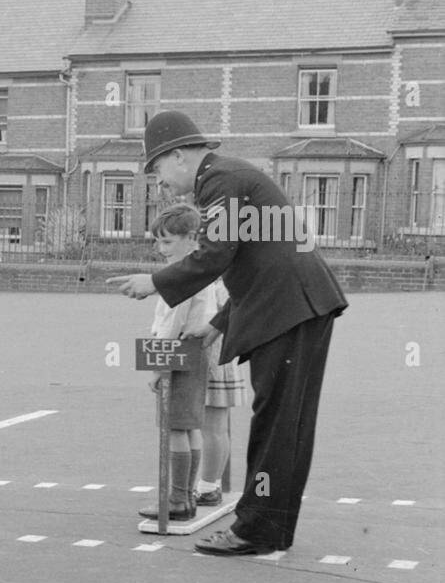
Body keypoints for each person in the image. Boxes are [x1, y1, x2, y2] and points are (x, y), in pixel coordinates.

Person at [110, 110, 347, 556]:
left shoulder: (219, 181)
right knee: (288, 426)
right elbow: (253, 258)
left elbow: (218, 255)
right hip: (301, 305)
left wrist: (155, 281)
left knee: (275, 425)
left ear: (178, 155)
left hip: (290, 309)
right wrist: (215, 325)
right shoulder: (232, 176)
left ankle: (255, 531)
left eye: (157, 169)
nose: (159, 182)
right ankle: (271, 529)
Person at [133, 205, 217, 522]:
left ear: (191, 239)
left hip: (179, 349)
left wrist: (159, 367)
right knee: (189, 426)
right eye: (158, 242)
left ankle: (178, 500)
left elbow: (171, 324)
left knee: (174, 428)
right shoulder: (198, 273)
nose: (160, 249)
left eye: (167, 242)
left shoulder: (181, 278)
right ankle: (187, 495)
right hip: (196, 349)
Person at [197, 277, 247, 507]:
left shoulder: (220, 283)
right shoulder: (222, 280)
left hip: (216, 357)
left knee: (213, 427)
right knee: (216, 426)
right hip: (222, 356)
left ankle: (208, 487)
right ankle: (212, 484)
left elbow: (226, 317)